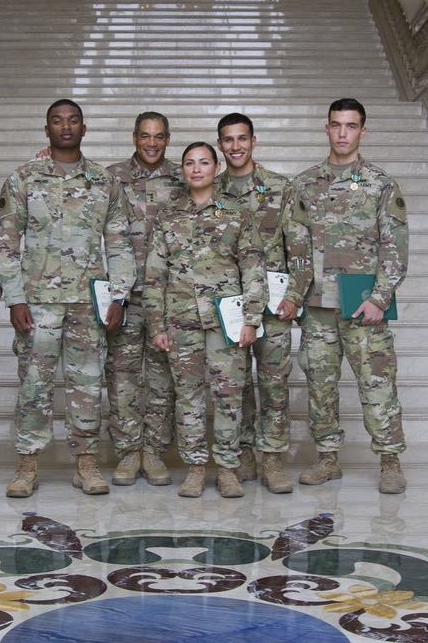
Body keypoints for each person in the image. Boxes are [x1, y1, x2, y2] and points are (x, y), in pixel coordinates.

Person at [0, 99, 135, 498]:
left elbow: (120, 244)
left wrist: (119, 297)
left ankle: (86, 464)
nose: (66, 127)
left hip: (88, 304)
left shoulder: (104, 182)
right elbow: (6, 243)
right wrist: (15, 298)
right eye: (57, 121)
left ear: (84, 128)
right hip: (37, 303)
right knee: (34, 386)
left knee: (87, 385)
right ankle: (27, 465)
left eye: (73, 120)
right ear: (47, 130)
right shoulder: (24, 179)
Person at [291, 97, 409, 494]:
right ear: (326, 128)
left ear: (362, 131)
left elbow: (395, 246)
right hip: (318, 307)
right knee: (320, 386)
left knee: (377, 386)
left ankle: (390, 461)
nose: (343, 133)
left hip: (363, 306)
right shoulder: (304, 184)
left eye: (351, 126)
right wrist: (294, 295)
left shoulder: (380, 183)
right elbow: (293, 246)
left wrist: (379, 298)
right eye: (336, 125)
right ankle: (327, 458)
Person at [143, 142, 267, 498]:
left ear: (216, 167)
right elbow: (154, 275)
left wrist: (251, 319)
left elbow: (254, 269)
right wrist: (157, 325)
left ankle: (227, 468)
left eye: (203, 163)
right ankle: (196, 467)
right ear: (182, 170)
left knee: (228, 396)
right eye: (189, 163)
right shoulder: (168, 216)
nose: (196, 169)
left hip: (225, 323)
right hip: (180, 322)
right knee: (189, 398)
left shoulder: (237, 212)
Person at [214, 113, 313, 495]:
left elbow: (300, 249)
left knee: (273, 384)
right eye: (228, 140)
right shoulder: (212, 187)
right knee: (235, 385)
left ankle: (271, 459)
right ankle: (241, 455)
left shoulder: (279, 188)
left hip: (273, 306)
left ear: (254, 141)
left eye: (242, 139)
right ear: (220, 145)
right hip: (230, 306)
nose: (235, 146)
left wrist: (294, 297)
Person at [104, 112, 183, 487]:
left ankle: (153, 450)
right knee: (122, 377)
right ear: (134, 137)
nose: (152, 143)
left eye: (159, 137)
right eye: (145, 136)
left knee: (162, 378)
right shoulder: (110, 177)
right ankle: (127, 451)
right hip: (124, 295)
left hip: (169, 296)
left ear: (168, 139)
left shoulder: (184, 178)